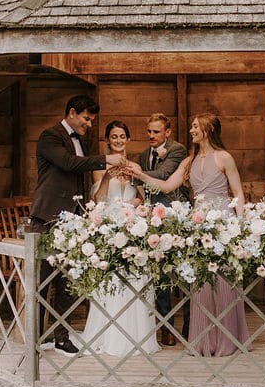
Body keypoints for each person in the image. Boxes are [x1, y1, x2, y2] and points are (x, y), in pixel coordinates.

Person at [129, 114, 251, 357]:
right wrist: (141, 175)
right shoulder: (188, 160)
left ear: (208, 130)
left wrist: (241, 227)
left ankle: (228, 339)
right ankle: (204, 340)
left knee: (224, 282)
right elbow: (166, 186)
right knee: (201, 283)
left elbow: (237, 192)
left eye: (196, 126)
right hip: (198, 224)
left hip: (222, 223)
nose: (192, 130)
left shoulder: (224, 157)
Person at [29, 95, 125, 356]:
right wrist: (106, 161)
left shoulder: (80, 141)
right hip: (48, 218)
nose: (89, 124)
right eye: (86, 118)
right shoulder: (50, 136)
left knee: (67, 282)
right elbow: (69, 164)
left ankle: (61, 337)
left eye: (91, 120)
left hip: (73, 222)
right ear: (72, 113)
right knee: (41, 281)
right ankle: (34, 341)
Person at [79, 121, 159, 357]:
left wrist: (136, 202)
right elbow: (99, 200)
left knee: (136, 278)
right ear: (107, 140)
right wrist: (107, 178)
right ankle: (110, 336)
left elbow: (144, 197)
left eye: (122, 136)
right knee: (112, 279)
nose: (118, 140)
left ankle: (138, 336)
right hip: (110, 226)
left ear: (128, 139)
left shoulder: (135, 166)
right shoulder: (99, 166)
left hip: (133, 226)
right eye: (113, 136)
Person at [135, 113, 190, 346]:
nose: (151, 136)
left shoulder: (178, 150)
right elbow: (142, 187)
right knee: (160, 274)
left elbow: (164, 176)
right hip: (154, 219)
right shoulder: (142, 155)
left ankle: (189, 326)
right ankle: (166, 327)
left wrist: (135, 172)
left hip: (177, 217)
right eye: (149, 131)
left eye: (156, 132)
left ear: (167, 132)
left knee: (185, 272)